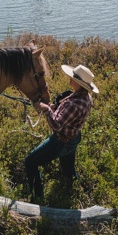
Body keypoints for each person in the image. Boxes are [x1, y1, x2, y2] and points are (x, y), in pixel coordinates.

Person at [24, 62, 98, 202]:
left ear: (80, 84)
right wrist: (55, 107)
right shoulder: (85, 97)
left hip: (61, 141)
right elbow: (66, 114)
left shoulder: (74, 104)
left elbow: (56, 125)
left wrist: (46, 109)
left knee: (30, 162)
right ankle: (76, 192)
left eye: (73, 79)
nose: (70, 80)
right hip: (74, 137)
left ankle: (37, 196)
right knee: (68, 170)